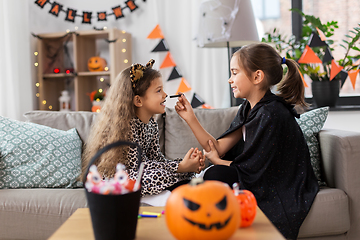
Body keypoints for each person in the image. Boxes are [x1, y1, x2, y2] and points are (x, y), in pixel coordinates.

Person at [175, 43, 319, 240]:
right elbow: (217, 147)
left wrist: (216, 161)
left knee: (216, 172)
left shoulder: (271, 114)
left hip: (280, 181)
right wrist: (190, 118)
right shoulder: (248, 108)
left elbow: (253, 170)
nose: (230, 80)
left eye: (234, 73)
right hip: (258, 173)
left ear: (257, 77)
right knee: (206, 177)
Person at [81, 59, 205, 196]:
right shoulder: (128, 126)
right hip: (117, 178)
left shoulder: (151, 124)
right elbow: (139, 167)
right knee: (157, 176)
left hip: (139, 172)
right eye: (159, 91)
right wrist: (179, 167)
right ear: (138, 100)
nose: (165, 95)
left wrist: (185, 164)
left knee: (174, 172)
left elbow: (156, 159)